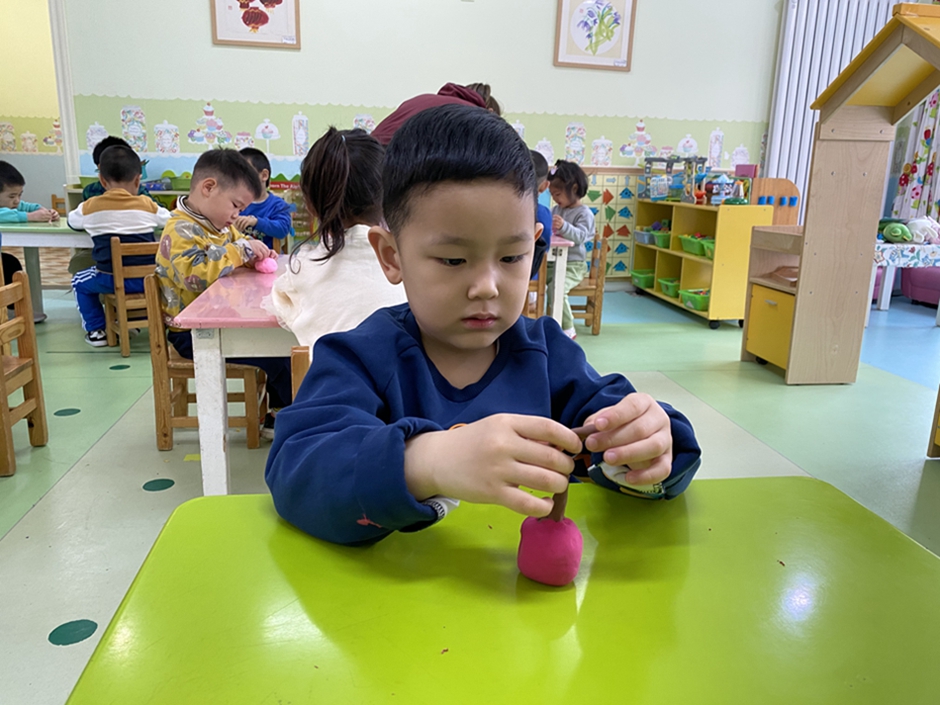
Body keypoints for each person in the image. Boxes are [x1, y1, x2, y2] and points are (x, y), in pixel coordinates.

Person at [265, 104, 701, 546]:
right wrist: (429, 462)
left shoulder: (548, 355)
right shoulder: (359, 357)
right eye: (453, 260)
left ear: (533, 246)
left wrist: (650, 443)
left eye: (511, 257)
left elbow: (632, 434)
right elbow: (297, 468)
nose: (487, 287)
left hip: (524, 586)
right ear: (392, 257)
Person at [155, 149, 292, 438]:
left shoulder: (218, 226)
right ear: (208, 188)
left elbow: (239, 244)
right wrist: (240, 251)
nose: (236, 215)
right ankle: (281, 416)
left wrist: (254, 253)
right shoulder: (181, 230)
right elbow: (195, 275)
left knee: (283, 349)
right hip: (192, 334)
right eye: (235, 206)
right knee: (279, 356)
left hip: (219, 321)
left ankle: (280, 409)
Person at [269, 127, 406, 350]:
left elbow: (280, 303)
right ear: (388, 196)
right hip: (404, 373)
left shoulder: (303, 268)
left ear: (310, 204)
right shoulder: (410, 261)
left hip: (331, 373)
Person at [67, 145, 171, 346]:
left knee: (79, 281)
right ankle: (133, 320)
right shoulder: (148, 205)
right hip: (149, 278)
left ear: (102, 180)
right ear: (138, 180)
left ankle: (97, 330)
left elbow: (73, 222)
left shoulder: (90, 206)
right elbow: (169, 220)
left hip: (109, 278)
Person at [71, 137, 157, 275]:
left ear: (101, 176)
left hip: (106, 265)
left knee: (80, 274)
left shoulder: (90, 199)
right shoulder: (144, 199)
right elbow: (166, 218)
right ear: (137, 178)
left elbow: (74, 222)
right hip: (143, 272)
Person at [548, 160, 595, 339]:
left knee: (556, 289)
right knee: (534, 278)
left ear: (574, 189)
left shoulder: (584, 213)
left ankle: (568, 328)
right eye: (552, 194)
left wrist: (564, 226)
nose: (555, 198)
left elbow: (582, 236)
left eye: (558, 194)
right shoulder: (556, 209)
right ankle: (544, 319)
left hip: (573, 265)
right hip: (553, 262)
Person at [371, 82, 501, 146]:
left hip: (368, 153)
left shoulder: (424, 98)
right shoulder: (472, 116)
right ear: (490, 113)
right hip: (394, 158)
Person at [234, 147, 294, 251]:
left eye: (246, 175)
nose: (241, 181)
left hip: (267, 256)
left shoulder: (278, 205)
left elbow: (283, 229)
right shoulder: (234, 203)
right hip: (238, 255)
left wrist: (256, 222)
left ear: (264, 175)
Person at [0, 161, 59, 231]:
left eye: (19, 195)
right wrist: (31, 216)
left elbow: (30, 207)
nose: (17, 201)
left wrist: (47, 213)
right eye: (12, 196)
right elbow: (3, 215)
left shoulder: (15, 205)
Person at [529, 150, 552, 278]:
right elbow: (545, 248)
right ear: (544, 186)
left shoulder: (499, 210)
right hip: (533, 278)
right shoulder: (543, 213)